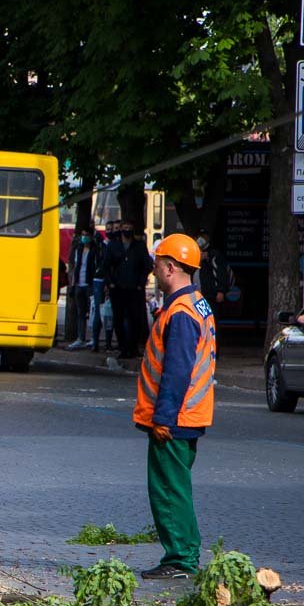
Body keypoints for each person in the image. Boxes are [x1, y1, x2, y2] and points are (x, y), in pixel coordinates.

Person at [133, 234, 216, 580]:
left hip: (174, 419)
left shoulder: (181, 312)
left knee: (168, 489)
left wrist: (162, 418)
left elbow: (177, 371)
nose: (153, 271)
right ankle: (185, 553)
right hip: (188, 416)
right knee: (177, 487)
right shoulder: (196, 303)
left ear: (170, 267)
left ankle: (180, 559)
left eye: (156, 266)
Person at [105, 219, 153, 359]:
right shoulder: (113, 245)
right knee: (118, 319)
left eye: (129, 227)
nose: (127, 230)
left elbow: (146, 265)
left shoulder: (139, 246)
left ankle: (133, 348)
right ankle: (123, 348)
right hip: (118, 288)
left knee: (135, 319)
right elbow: (106, 265)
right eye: (124, 227)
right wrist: (110, 283)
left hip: (134, 288)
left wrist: (140, 283)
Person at [66, 226, 102, 350]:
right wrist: (73, 283)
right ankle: (80, 338)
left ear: (91, 237)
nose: (84, 237)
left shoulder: (95, 250)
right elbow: (75, 265)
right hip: (78, 284)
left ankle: (93, 338)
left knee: (92, 313)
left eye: (86, 235)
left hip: (90, 285)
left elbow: (98, 266)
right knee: (80, 312)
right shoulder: (79, 249)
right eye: (82, 235)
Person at [194, 229, 233, 306]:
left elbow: (221, 273)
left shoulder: (214, 254)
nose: (200, 239)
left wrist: (220, 291)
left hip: (211, 296)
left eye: (203, 236)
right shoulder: (194, 253)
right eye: (198, 236)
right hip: (198, 295)